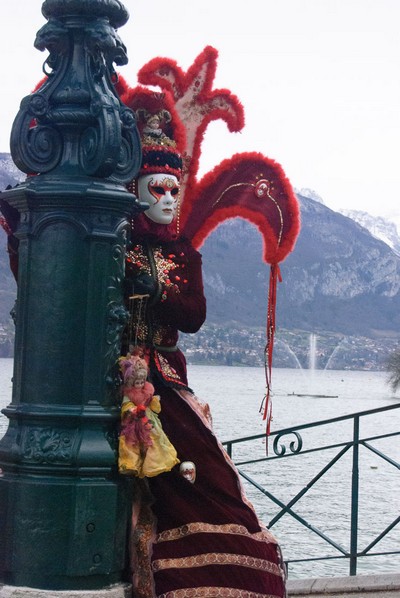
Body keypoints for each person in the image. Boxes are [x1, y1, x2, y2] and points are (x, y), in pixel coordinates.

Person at [122, 97, 287, 598]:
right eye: (158, 188)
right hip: (116, 376)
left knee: (203, 473)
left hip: (167, 380)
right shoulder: (109, 239)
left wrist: (157, 290)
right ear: (136, 190)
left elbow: (194, 316)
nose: (169, 198)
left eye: (176, 189)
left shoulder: (182, 255)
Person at [118, 352, 179, 478]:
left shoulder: (147, 391)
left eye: (142, 382)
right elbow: (126, 406)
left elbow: (154, 407)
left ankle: (153, 463)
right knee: (131, 443)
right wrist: (133, 410)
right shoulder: (129, 394)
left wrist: (153, 402)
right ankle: (131, 465)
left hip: (147, 419)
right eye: (137, 382)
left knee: (153, 442)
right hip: (133, 422)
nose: (140, 384)